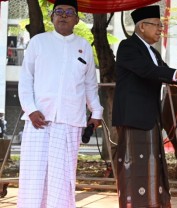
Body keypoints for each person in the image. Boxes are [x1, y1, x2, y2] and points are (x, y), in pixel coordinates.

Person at [17, 0, 103, 207]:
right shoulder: (38, 42)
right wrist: (30, 109)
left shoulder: (83, 46)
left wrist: (96, 112)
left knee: (62, 179)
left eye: (69, 12)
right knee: (33, 177)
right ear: (52, 17)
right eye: (59, 11)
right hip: (39, 119)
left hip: (69, 122)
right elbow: (26, 79)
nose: (63, 15)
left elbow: (90, 84)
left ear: (76, 19)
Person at [112, 5, 177, 208]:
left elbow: (164, 72)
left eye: (162, 26)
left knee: (153, 167)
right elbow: (147, 71)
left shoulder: (152, 51)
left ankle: (154, 203)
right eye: (157, 25)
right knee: (135, 169)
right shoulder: (128, 47)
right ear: (142, 26)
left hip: (150, 119)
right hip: (134, 119)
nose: (161, 30)